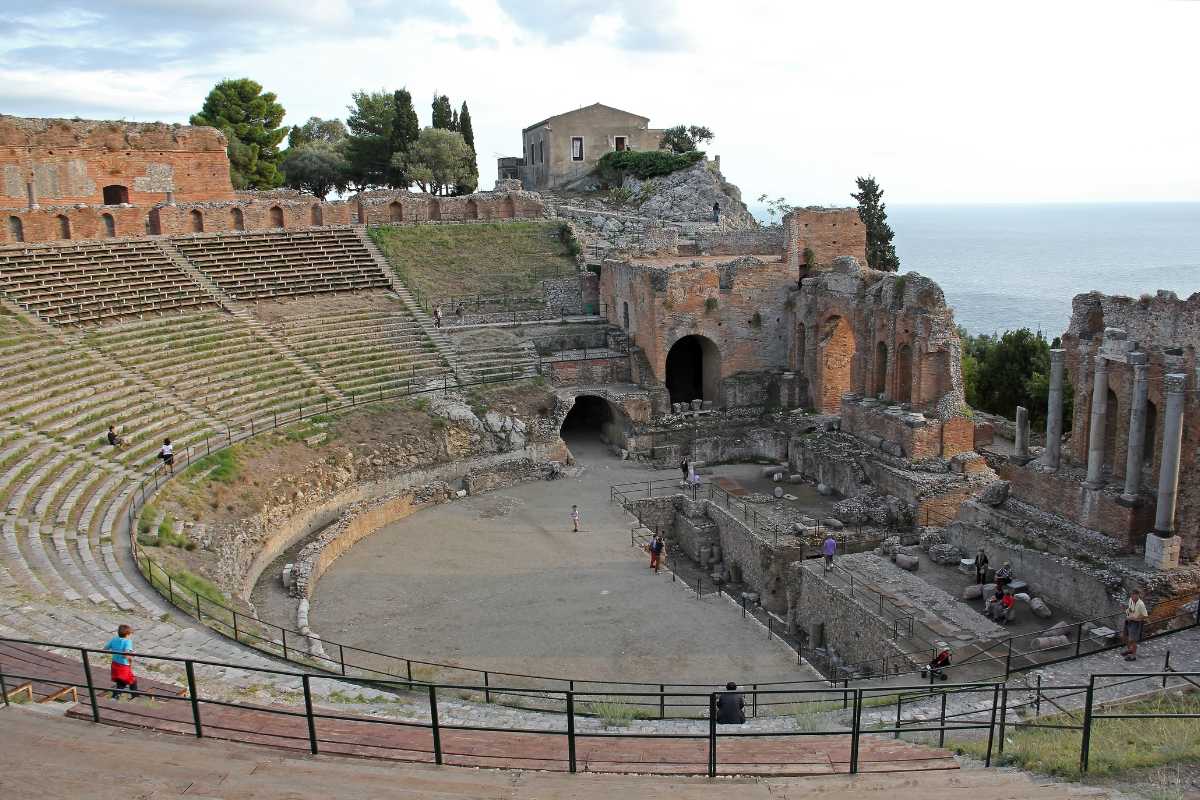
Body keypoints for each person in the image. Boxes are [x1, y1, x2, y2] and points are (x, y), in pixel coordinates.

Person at [105, 624, 137, 699]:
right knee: (123, 682)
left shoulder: (114, 639)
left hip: (115, 664)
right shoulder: (127, 642)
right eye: (130, 634)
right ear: (127, 634)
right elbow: (125, 655)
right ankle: (114, 698)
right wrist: (132, 656)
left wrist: (115, 652)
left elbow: (105, 648)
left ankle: (135, 696)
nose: (130, 636)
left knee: (132, 680)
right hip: (124, 666)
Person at [1121, 588, 1149, 661]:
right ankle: (1130, 649)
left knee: (1132, 640)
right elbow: (1130, 609)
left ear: (1137, 595)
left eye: (1133, 595)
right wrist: (1127, 612)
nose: (1132, 597)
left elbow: (1145, 615)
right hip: (1128, 620)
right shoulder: (1131, 600)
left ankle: (1133, 656)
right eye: (1131, 595)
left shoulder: (1141, 604)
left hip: (1135, 623)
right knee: (1124, 636)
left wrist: (1135, 618)